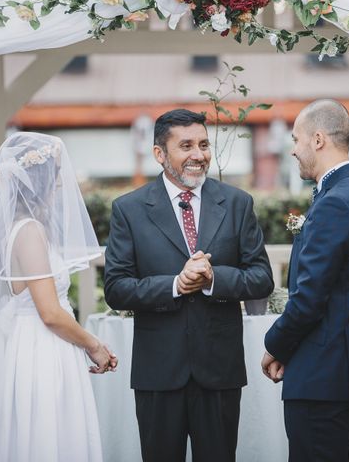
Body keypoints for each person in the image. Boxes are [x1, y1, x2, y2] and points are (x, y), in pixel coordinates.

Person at [104, 109, 274, 462]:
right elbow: (117, 287)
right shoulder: (129, 209)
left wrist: (215, 279)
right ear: (159, 154)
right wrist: (176, 285)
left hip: (219, 369)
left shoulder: (238, 203)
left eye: (203, 144)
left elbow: (261, 278)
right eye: (186, 146)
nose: (199, 154)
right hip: (158, 372)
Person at [0, 132, 117, 462]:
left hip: (34, 343)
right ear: (39, 181)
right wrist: (94, 346)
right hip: (43, 349)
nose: (60, 184)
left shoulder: (15, 227)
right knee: (49, 440)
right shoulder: (28, 231)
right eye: (55, 174)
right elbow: (50, 313)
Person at [261, 100, 349, 462]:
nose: (292, 149)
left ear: (318, 139)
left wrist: (275, 345)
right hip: (344, 367)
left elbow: (309, 299)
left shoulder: (335, 203)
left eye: (296, 139)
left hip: (325, 373)